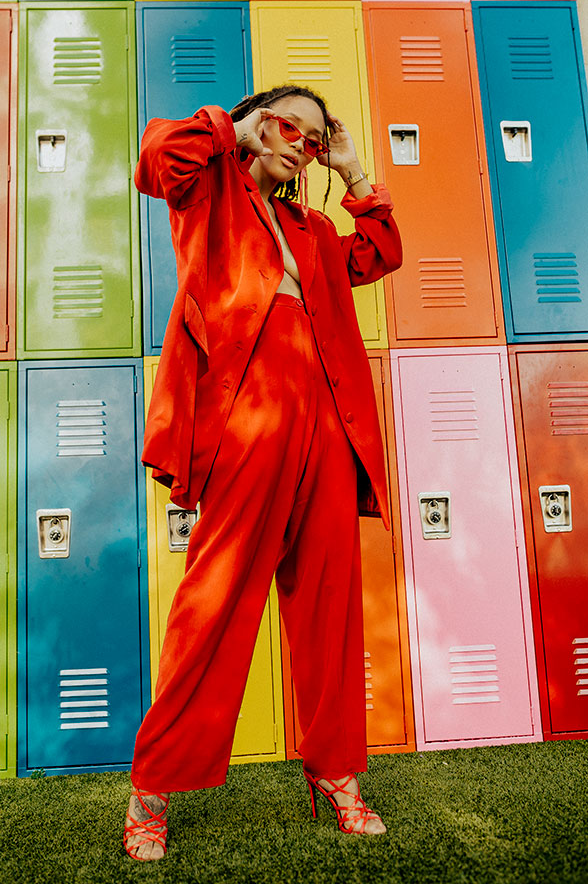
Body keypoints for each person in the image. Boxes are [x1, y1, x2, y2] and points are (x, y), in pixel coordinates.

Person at [124, 85, 402, 861]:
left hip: (326, 428)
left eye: (314, 141)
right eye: (292, 129)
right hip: (250, 422)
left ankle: (338, 774)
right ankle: (154, 784)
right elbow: (155, 159)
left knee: (330, 612)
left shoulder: (311, 228)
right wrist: (231, 128)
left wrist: (352, 173)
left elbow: (381, 250)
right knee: (212, 606)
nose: (302, 147)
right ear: (257, 122)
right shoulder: (209, 189)